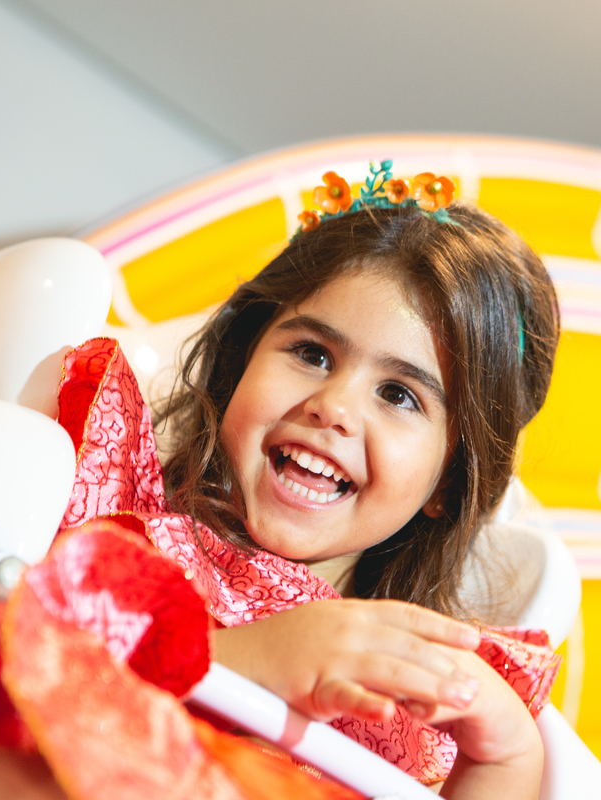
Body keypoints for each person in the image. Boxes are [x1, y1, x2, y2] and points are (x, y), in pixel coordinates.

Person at [146, 164, 562, 799]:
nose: (334, 407)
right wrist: (250, 658)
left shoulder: (419, 694)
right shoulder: (120, 521)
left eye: (398, 394)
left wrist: (506, 763)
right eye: (312, 354)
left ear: (448, 484)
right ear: (240, 364)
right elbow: (26, 650)